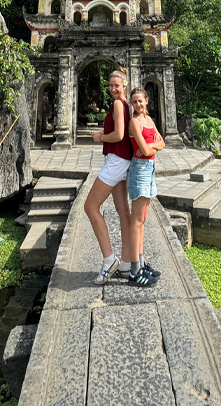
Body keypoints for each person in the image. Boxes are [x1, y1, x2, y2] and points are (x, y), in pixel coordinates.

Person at [83, 68, 133, 284]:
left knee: (90, 207)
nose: (113, 89)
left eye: (117, 85)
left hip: (116, 161)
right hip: (124, 160)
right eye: (111, 85)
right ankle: (126, 264)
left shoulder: (117, 104)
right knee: (124, 213)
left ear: (125, 85)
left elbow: (119, 134)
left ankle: (109, 260)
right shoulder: (126, 104)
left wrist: (99, 136)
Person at [126, 87, 165, 286]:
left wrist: (154, 147)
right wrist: (154, 147)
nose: (138, 104)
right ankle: (134, 271)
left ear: (147, 101)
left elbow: (162, 143)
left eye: (140, 100)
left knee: (142, 219)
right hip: (139, 169)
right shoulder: (133, 122)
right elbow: (144, 148)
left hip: (149, 168)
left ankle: (141, 263)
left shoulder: (149, 121)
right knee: (136, 220)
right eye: (134, 101)